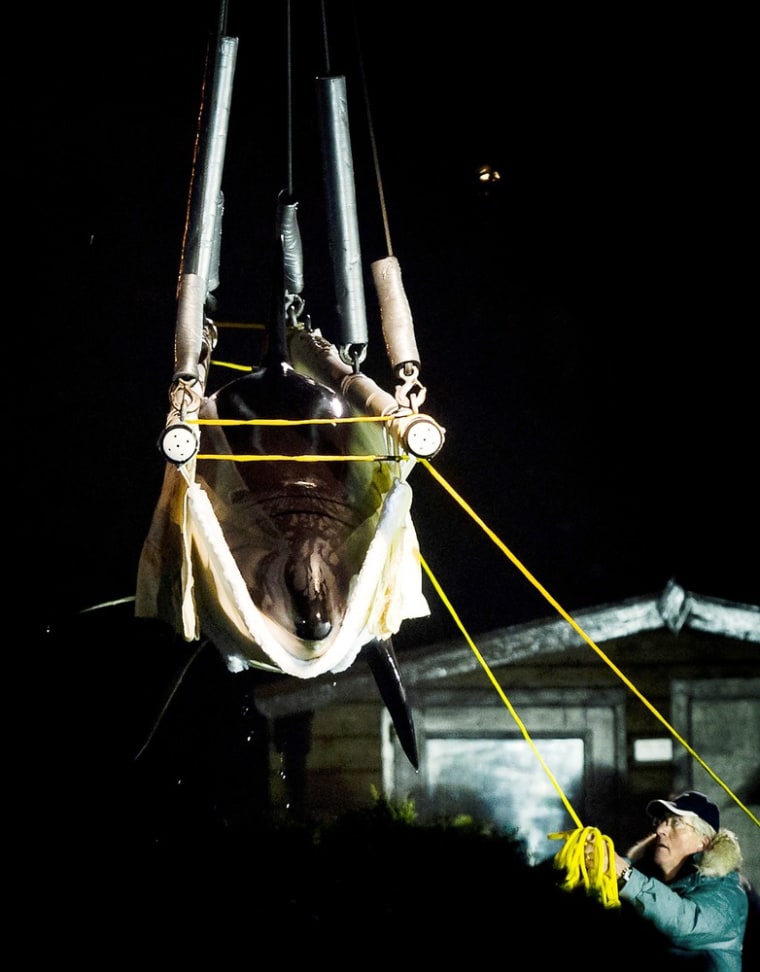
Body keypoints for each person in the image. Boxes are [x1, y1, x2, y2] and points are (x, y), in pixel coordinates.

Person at [591, 790, 749, 970]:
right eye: (661, 820)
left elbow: (684, 923)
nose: (660, 830)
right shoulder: (644, 877)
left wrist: (626, 876)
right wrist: (593, 864)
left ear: (703, 842)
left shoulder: (727, 894)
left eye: (676, 823)